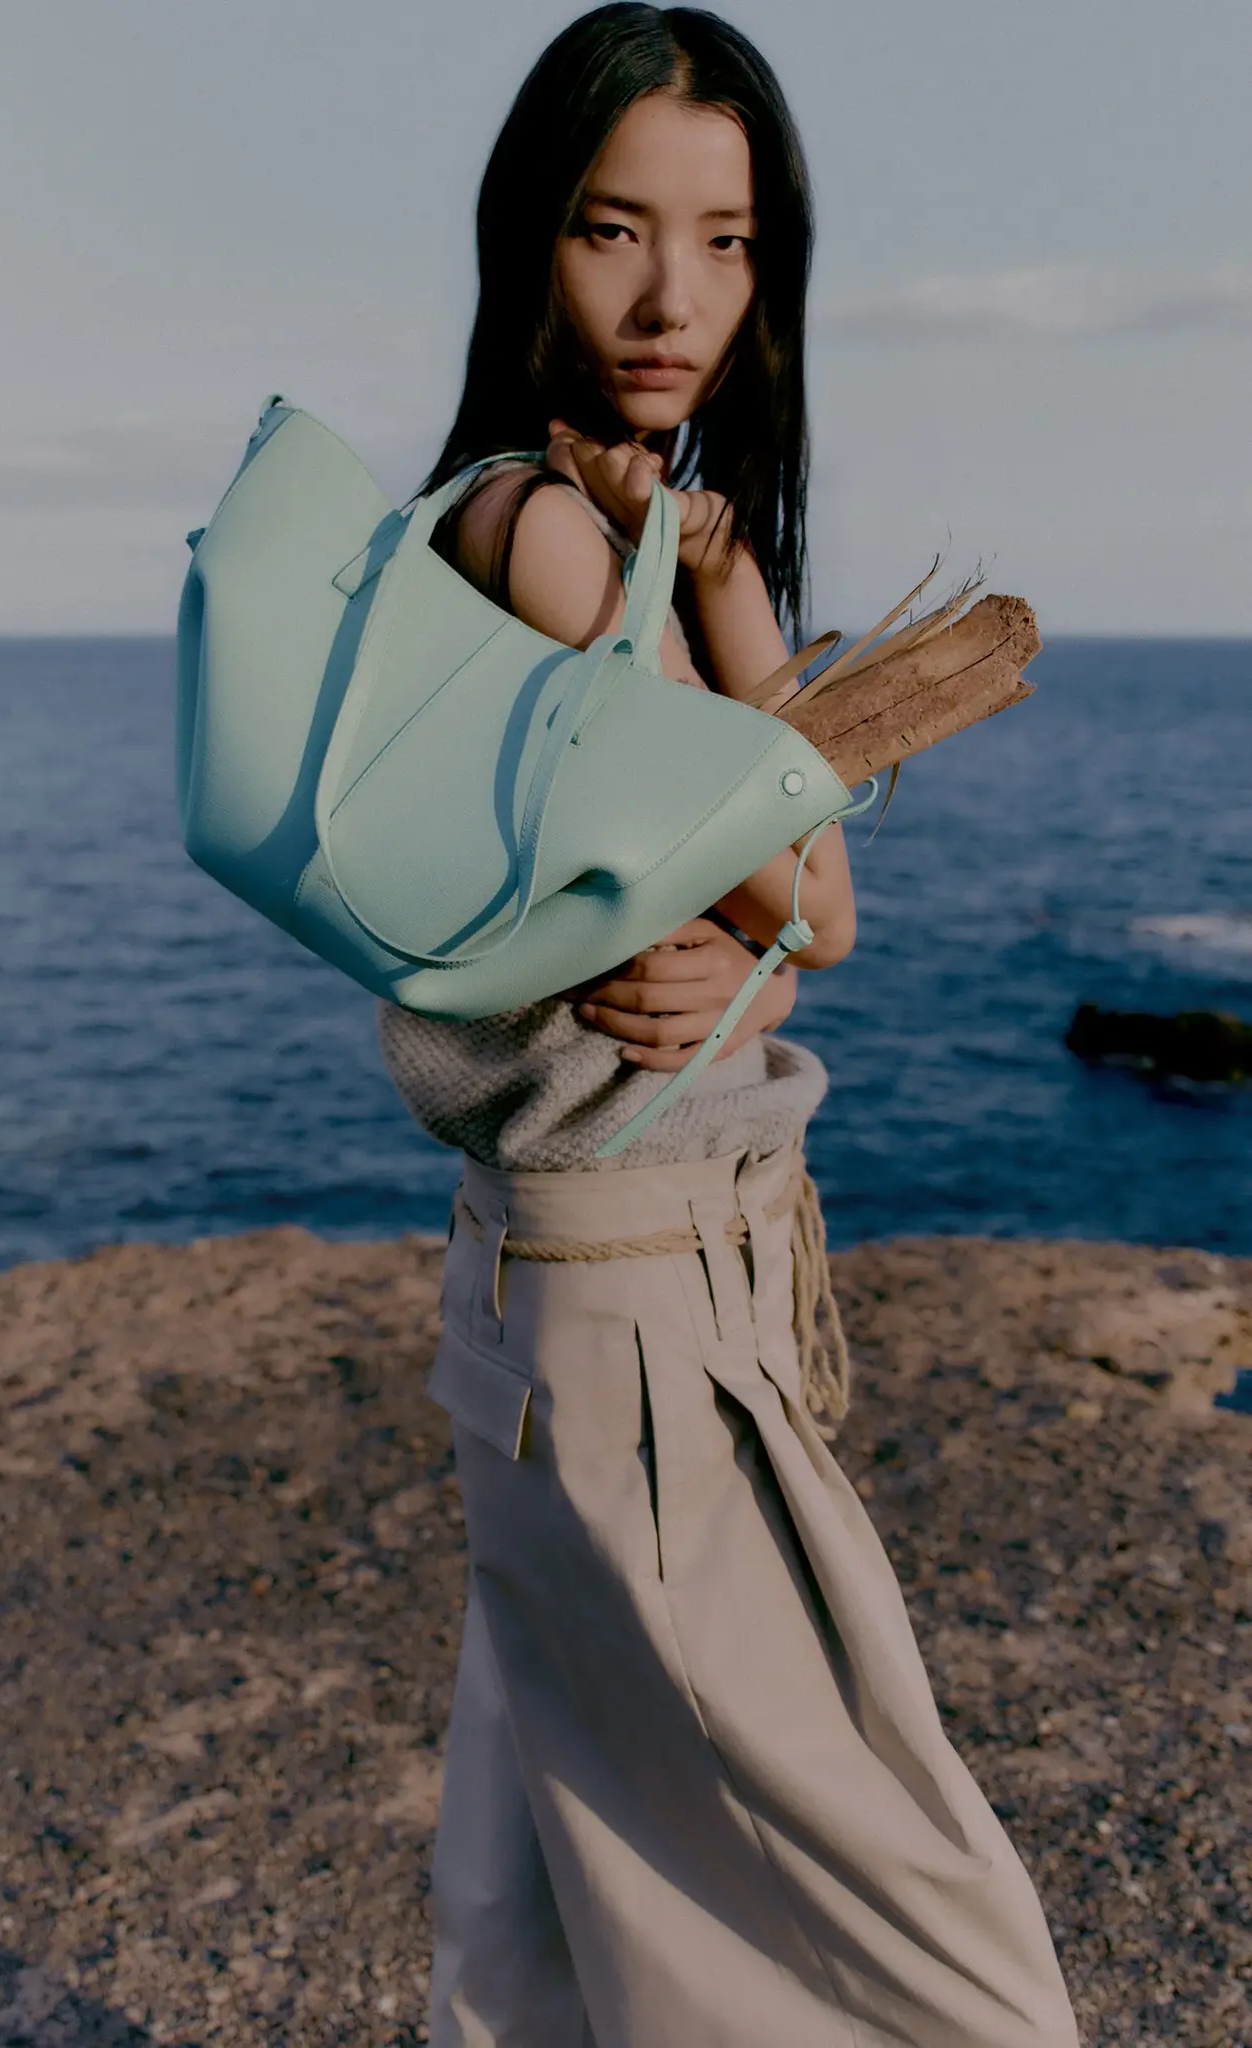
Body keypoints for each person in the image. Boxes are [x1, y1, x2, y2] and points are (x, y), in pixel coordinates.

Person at [376, 8, 1081, 2043]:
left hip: (574, 1302)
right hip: (632, 1326)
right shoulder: (540, 535)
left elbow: (781, 910)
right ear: (531, 240)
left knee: (545, 1923)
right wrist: (762, 933)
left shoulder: (593, 533)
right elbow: (813, 899)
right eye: (613, 229)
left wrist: (720, 573)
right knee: (931, 1943)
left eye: (727, 241)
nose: (671, 296)